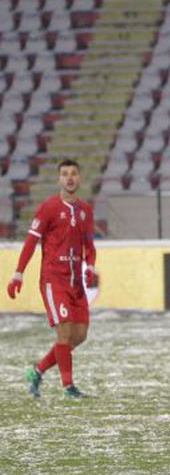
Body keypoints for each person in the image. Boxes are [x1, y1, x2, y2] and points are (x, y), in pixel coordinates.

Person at [6, 159, 97, 398]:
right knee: (64, 334)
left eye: (73, 174)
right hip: (53, 279)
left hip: (76, 282)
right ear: (59, 179)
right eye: (65, 174)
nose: (69, 178)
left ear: (79, 178)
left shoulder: (86, 209)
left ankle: (37, 370)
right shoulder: (48, 208)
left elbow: (89, 244)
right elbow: (30, 242)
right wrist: (18, 273)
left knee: (79, 336)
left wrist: (91, 267)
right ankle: (68, 387)